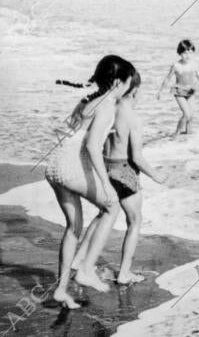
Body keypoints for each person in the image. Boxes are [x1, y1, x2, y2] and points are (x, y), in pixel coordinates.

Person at [45, 55, 135, 308]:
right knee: (111, 206)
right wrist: (106, 184)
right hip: (71, 165)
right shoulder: (106, 105)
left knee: (74, 227)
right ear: (118, 82)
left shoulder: (89, 98)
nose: (128, 89)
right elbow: (95, 148)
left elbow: (69, 130)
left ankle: (61, 290)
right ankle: (85, 269)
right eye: (128, 83)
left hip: (55, 164)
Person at [74, 70, 166, 284]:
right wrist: (157, 176)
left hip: (104, 167)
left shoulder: (107, 109)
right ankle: (124, 273)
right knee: (135, 221)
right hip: (124, 171)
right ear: (134, 92)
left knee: (102, 214)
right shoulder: (133, 118)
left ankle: (78, 259)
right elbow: (137, 157)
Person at [157, 39, 199, 136]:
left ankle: (188, 134)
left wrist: (197, 85)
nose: (188, 55)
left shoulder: (193, 64)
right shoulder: (176, 65)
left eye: (190, 52)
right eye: (185, 53)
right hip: (179, 92)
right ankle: (176, 134)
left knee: (191, 116)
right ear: (179, 53)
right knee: (186, 114)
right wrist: (160, 91)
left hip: (190, 92)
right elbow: (167, 78)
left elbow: (198, 77)